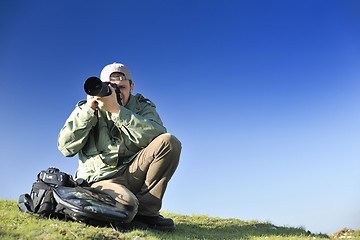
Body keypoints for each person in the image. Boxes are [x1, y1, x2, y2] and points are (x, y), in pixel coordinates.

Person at [57, 62, 182, 231]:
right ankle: (124, 211)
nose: (116, 92)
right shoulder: (86, 109)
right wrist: (88, 111)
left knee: (169, 142)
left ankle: (147, 214)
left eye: (122, 87)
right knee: (128, 205)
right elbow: (65, 147)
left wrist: (117, 111)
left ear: (131, 87)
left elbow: (157, 134)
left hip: (132, 172)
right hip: (100, 179)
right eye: (110, 87)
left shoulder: (142, 107)